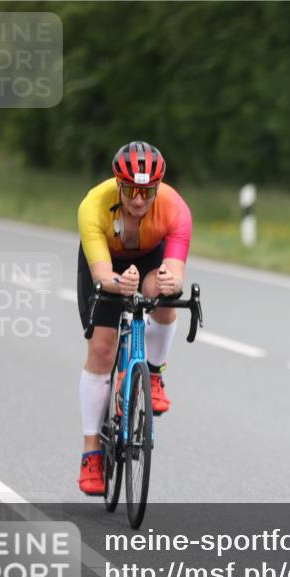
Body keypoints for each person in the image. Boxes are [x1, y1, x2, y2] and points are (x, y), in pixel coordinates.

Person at [75, 141, 193, 495]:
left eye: (147, 192)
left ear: (158, 187)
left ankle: (153, 374)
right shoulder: (93, 206)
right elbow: (101, 275)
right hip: (105, 263)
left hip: (150, 257)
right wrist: (116, 282)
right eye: (130, 191)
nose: (139, 200)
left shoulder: (175, 208)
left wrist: (170, 283)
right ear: (118, 184)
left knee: (166, 296)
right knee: (102, 349)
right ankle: (91, 452)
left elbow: (175, 272)